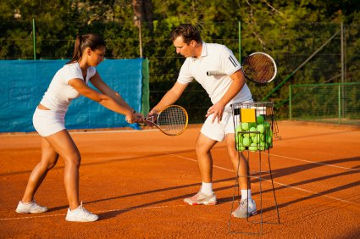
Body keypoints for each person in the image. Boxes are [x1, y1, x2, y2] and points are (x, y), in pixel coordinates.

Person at [15, 34, 143, 222]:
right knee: (73, 158)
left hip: (53, 116)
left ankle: (26, 203)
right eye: (100, 55)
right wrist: (126, 114)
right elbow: (100, 98)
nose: (102, 59)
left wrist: (131, 110)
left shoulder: (90, 70)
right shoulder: (71, 73)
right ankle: (74, 210)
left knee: (48, 162)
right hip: (46, 117)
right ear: (88, 51)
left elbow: (109, 92)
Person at [149, 24, 256, 218]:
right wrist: (155, 111)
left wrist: (222, 103)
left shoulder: (220, 52)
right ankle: (207, 193)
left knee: (233, 147)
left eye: (180, 47)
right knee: (201, 146)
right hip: (219, 108)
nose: (177, 51)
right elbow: (175, 91)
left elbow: (239, 79)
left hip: (243, 106)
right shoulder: (190, 63)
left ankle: (248, 201)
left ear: (192, 43)